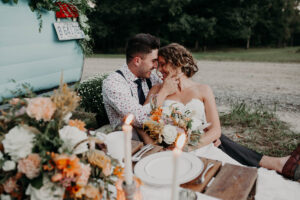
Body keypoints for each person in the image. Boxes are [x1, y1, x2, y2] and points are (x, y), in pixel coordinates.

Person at [144, 42, 299, 181]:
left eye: (163, 64)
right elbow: (143, 119)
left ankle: (280, 165)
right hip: (167, 150)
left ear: (177, 63)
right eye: (158, 65)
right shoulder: (157, 90)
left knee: (236, 180)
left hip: (200, 146)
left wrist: (187, 147)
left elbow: (216, 130)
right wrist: (163, 92)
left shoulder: (203, 90)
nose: (159, 70)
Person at [102, 33, 178, 142]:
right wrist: (164, 92)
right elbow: (141, 119)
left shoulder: (152, 76)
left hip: (158, 138)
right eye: (153, 61)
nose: (156, 66)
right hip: (128, 143)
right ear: (137, 61)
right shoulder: (114, 83)